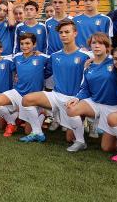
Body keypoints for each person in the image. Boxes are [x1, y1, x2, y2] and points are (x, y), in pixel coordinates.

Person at [21, 19, 91, 152]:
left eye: (67, 32)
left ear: (75, 33)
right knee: (27, 99)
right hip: (56, 95)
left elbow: (106, 60)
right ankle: (38, 132)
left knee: (70, 139)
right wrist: (34, 54)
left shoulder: (86, 55)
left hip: (75, 99)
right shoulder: (54, 56)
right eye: (61, 32)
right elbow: (43, 69)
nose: (64, 35)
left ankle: (81, 140)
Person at [65, 33, 117, 151]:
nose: (96, 46)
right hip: (95, 103)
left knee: (107, 148)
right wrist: (76, 98)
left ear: (107, 46)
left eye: (100, 43)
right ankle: (80, 142)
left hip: (114, 107)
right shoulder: (88, 65)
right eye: (94, 43)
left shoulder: (115, 62)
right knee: (71, 111)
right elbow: (85, 88)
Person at [0, 33, 51, 139]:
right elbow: (6, 62)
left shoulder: (42, 57)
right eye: (22, 44)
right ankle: (12, 122)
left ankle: (42, 113)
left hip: (33, 97)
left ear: (34, 44)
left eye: (28, 43)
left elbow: (50, 67)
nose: (24, 46)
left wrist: (41, 76)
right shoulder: (16, 57)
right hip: (18, 92)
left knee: (27, 132)